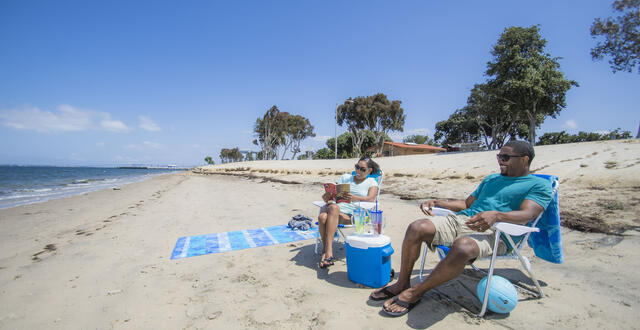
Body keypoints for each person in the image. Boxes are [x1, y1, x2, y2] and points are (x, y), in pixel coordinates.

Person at [369, 140, 553, 317]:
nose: (500, 161)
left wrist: (497, 215)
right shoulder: (492, 179)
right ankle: (402, 283)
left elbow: (528, 213)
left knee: (463, 247)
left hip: (496, 232)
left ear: (524, 159)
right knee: (417, 227)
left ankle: (416, 292)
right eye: (499, 156)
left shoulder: (538, 185)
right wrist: (438, 202)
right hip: (462, 221)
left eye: (505, 157)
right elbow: (467, 203)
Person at [317, 156, 380, 268]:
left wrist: (355, 198)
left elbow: (371, 199)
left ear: (370, 170)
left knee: (324, 216)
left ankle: (325, 251)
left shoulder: (372, 182)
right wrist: (327, 196)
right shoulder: (345, 177)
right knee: (328, 212)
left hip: (354, 215)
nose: (358, 171)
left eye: (362, 169)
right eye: (357, 167)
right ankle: (328, 252)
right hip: (336, 210)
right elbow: (330, 198)